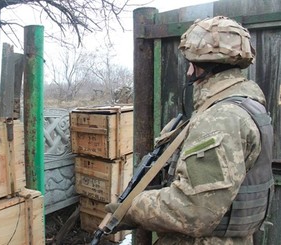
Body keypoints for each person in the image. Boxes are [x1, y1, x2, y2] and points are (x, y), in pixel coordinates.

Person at [106, 16, 274, 244]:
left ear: (199, 66)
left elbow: (195, 210)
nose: (187, 73)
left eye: (190, 64)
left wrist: (133, 208)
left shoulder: (221, 119)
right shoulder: (247, 104)